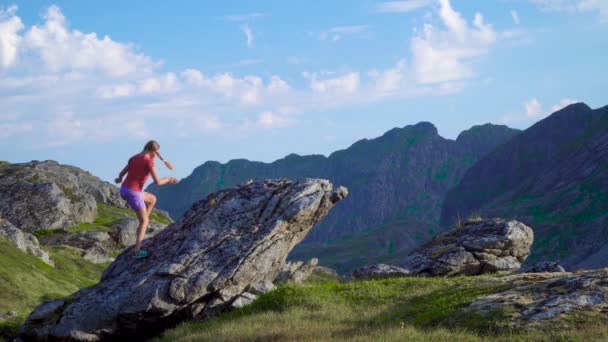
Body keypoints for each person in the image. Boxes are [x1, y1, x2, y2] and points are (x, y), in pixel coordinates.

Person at [115, 140, 178, 258]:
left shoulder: (134, 157)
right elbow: (158, 182)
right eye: (157, 153)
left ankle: (145, 220)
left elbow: (122, 173)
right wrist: (169, 179)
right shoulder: (149, 162)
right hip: (134, 193)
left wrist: (119, 179)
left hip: (125, 189)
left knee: (152, 199)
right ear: (154, 152)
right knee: (144, 222)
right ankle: (137, 251)